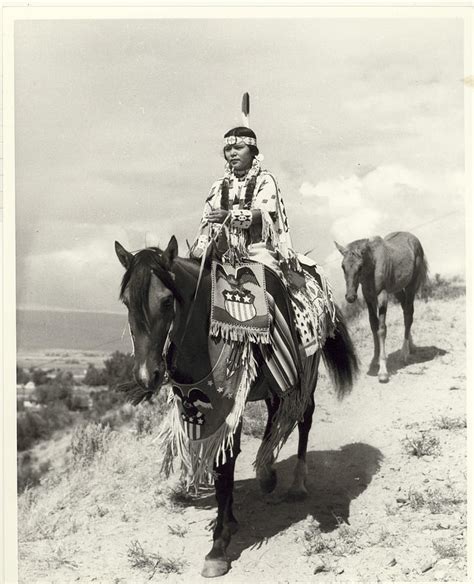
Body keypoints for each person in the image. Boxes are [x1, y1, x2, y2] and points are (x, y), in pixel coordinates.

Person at [190, 126, 336, 358]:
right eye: (228, 149)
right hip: (222, 254)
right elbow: (207, 220)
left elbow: (263, 213)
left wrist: (230, 217)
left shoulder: (265, 180)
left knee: (272, 291)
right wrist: (200, 247)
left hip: (257, 250)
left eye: (239, 148)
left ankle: (286, 352)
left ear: (253, 151)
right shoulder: (217, 186)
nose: (232, 153)